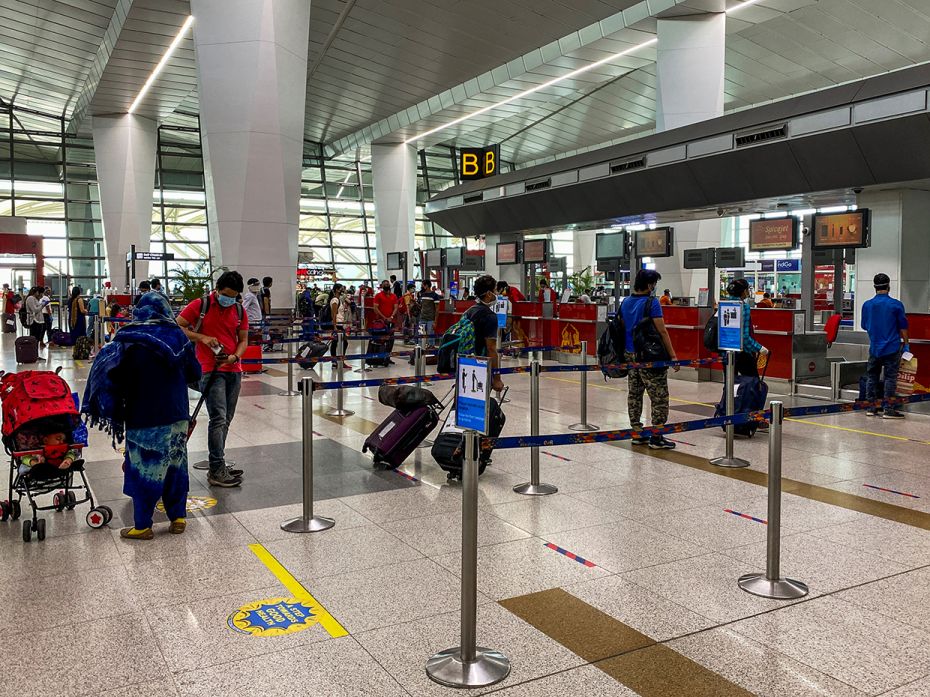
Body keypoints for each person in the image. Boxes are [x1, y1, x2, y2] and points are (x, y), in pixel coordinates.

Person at [83, 292, 202, 540]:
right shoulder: (178, 336)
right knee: (175, 465)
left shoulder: (129, 338)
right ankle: (178, 518)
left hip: (144, 414)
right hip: (177, 413)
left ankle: (142, 525)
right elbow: (194, 372)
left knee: (145, 469)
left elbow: (113, 375)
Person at [177, 271, 249, 487]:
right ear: (217, 289)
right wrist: (202, 338)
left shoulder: (238, 309)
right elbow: (177, 326)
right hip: (209, 369)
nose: (229, 300)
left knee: (226, 418)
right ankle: (216, 469)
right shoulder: (201, 305)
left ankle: (218, 463)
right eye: (226, 295)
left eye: (234, 296)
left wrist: (235, 356)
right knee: (218, 417)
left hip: (233, 368)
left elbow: (243, 339)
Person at [621, 269, 679, 450]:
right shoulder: (652, 303)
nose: (655, 287)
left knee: (635, 393)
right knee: (659, 396)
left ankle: (637, 433)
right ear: (649, 285)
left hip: (630, 354)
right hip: (649, 356)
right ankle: (657, 436)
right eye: (654, 284)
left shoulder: (626, 302)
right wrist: (673, 356)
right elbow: (662, 331)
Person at [862, 272, 909, 419]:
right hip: (891, 348)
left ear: (874, 287)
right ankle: (888, 409)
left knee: (872, 377)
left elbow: (864, 325)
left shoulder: (867, 305)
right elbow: (903, 327)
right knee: (890, 378)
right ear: (889, 286)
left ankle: (871, 407)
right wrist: (906, 345)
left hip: (874, 348)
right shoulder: (896, 305)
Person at [469, 275, 505, 393]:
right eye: (494, 290)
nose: (496, 293)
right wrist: (497, 378)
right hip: (481, 365)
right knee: (481, 403)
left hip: (465, 362)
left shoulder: (470, 311)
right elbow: (491, 348)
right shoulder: (490, 316)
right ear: (489, 293)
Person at [726, 278, 768, 377]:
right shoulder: (743, 306)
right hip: (742, 353)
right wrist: (759, 348)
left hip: (727, 351)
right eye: (748, 289)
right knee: (753, 383)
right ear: (744, 291)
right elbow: (744, 336)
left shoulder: (724, 305)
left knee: (729, 384)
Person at [373, 280, 399, 365]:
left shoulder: (394, 296)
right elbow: (375, 308)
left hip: (391, 321)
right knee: (381, 340)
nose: (387, 285)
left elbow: (395, 307)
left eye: (388, 284)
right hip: (381, 322)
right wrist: (384, 317)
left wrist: (391, 317)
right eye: (385, 284)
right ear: (382, 286)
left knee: (391, 340)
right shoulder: (378, 295)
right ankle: (379, 358)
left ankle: (387, 357)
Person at [327, 284, 351, 368]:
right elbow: (333, 314)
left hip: (339, 324)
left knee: (336, 342)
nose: (343, 290)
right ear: (337, 290)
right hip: (337, 324)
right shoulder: (335, 300)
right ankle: (337, 361)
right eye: (341, 289)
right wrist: (334, 327)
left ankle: (337, 361)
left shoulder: (339, 300)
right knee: (342, 343)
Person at [418, 281, 441, 347]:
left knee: (430, 334)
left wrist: (435, 321)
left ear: (427, 286)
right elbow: (421, 306)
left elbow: (437, 309)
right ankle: (420, 347)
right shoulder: (422, 295)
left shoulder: (434, 295)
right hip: (422, 318)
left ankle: (431, 346)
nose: (422, 287)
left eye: (423, 285)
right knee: (421, 334)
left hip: (430, 318)